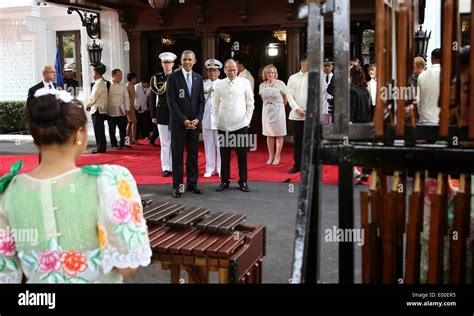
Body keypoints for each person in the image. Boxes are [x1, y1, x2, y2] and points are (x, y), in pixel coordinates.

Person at [0, 89, 151, 283]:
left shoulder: (8, 192)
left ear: (35, 134)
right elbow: (127, 266)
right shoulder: (109, 181)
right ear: (79, 133)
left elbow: (6, 272)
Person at [166, 50, 205, 198]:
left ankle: (192, 183)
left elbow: (201, 101)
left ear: (194, 61)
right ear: (180, 61)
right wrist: (183, 120)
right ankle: (177, 186)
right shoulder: (173, 78)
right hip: (178, 124)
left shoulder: (198, 78)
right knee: (177, 156)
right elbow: (172, 102)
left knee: (193, 155)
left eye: (190, 59)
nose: (187, 62)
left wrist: (198, 118)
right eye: (185, 59)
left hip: (194, 124)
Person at [213, 59, 254, 193]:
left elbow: (250, 103)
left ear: (238, 69)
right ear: (224, 70)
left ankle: (243, 181)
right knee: (224, 155)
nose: (232, 72)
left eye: (234, 70)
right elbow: (216, 105)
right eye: (229, 70)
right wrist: (216, 121)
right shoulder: (219, 85)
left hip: (241, 124)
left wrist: (247, 120)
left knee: (242, 155)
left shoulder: (245, 82)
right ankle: (224, 181)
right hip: (223, 125)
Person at [149, 52, 176, 177]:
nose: (167, 65)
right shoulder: (156, 79)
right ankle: (166, 167)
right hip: (162, 113)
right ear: (161, 63)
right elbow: (152, 97)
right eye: (165, 62)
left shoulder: (178, 77)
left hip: (175, 113)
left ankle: (176, 166)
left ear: (173, 64)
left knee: (175, 142)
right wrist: (153, 114)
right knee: (165, 142)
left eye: (169, 62)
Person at [259, 64, 288, 166]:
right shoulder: (262, 85)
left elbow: (286, 97)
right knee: (269, 134)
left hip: (279, 110)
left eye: (272, 72)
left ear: (275, 74)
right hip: (267, 111)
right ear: (265, 74)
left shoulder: (280, 84)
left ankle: (277, 155)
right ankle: (271, 156)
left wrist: (281, 106)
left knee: (279, 134)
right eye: (268, 73)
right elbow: (263, 98)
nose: (270, 74)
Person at [286, 54, 308, 174]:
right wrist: (297, 108)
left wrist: (308, 109)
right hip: (296, 114)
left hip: (310, 115)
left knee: (309, 142)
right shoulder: (292, 78)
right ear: (302, 63)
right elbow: (289, 95)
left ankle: (309, 165)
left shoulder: (315, 77)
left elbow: (318, 94)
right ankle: (297, 164)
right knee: (298, 142)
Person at [202, 59, 222, 178]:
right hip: (206, 118)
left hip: (220, 120)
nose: (212, 73)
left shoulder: (223, 83)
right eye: (210, 71)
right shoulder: (203, 84)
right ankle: (209, 168)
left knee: (220, 145)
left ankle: (220, 168)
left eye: (214, 70)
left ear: (219, 72)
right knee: (208, 145)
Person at [85, 63, 108, 154]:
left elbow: (94, 96)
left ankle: (101, 148)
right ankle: (101, 147)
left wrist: (88, 104)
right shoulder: (100, 82)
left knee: (98, 129)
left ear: (97, 73)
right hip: (99, 108)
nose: (93, 74)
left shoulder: (99, 83)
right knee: (99, 129)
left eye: (94, 72)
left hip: (98, 109)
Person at [107, 69, 130, 150]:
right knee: (112, 129)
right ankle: (114, 144)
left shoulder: (123, 85)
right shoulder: (108, 85)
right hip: (111, 111)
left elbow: (126, 97)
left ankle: (122, 143)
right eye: (118, 75)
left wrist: (127, 108)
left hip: (121, 111)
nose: (120, 77)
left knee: (123, 128)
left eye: (121, 75)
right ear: (113, 76)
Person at [417, 48, 441, 125]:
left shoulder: (422, 75)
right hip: (442, 120)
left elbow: (418, 100)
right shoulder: (449, 75)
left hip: (425, 120)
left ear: (431, 59)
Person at [126, 73, 138, 145]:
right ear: (132, 79)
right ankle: (133, 138)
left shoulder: (132, 86)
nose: (136, 79)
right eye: (135, 78)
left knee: (130, 122)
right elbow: (126, 98)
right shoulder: (127, 86)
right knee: (134, 122)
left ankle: (127, 140)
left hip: (132, 106)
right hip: (129, 107)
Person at [322, 58, 334, 124]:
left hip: (333, 105)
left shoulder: (336, 77)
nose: (327, 67)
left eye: (329, 65)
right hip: (322, 106)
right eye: (325, 65)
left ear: (332, 66)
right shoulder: (318, 77)